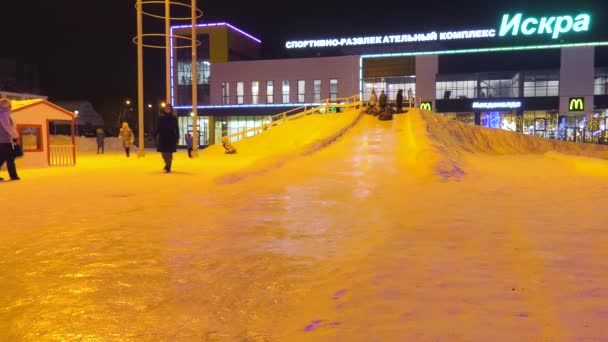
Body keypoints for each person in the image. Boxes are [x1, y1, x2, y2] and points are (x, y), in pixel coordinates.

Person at [155, 103, 179, 173]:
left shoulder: (174, 118)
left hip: (171, 137)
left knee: (169, 153)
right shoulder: (161, 118)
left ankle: (168, 166)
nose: (167, 110)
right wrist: (155, 133)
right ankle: (167, 163)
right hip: (163, 137)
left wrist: (177, 136)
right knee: (163, 153)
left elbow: (176, 128)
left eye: (169, 109)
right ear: (164, 110)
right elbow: (158, 127)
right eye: (166, 108)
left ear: (171, 110)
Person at [0, 99, 20, 181]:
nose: (11, 107)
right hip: (4, 140)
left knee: (1, 158)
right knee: (10, 159)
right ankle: (14, 176)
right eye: (10, 105)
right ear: (6, 106)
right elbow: (8, 127)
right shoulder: (3, 113)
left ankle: (13, 176)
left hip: (2, 140)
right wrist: (15, 136)